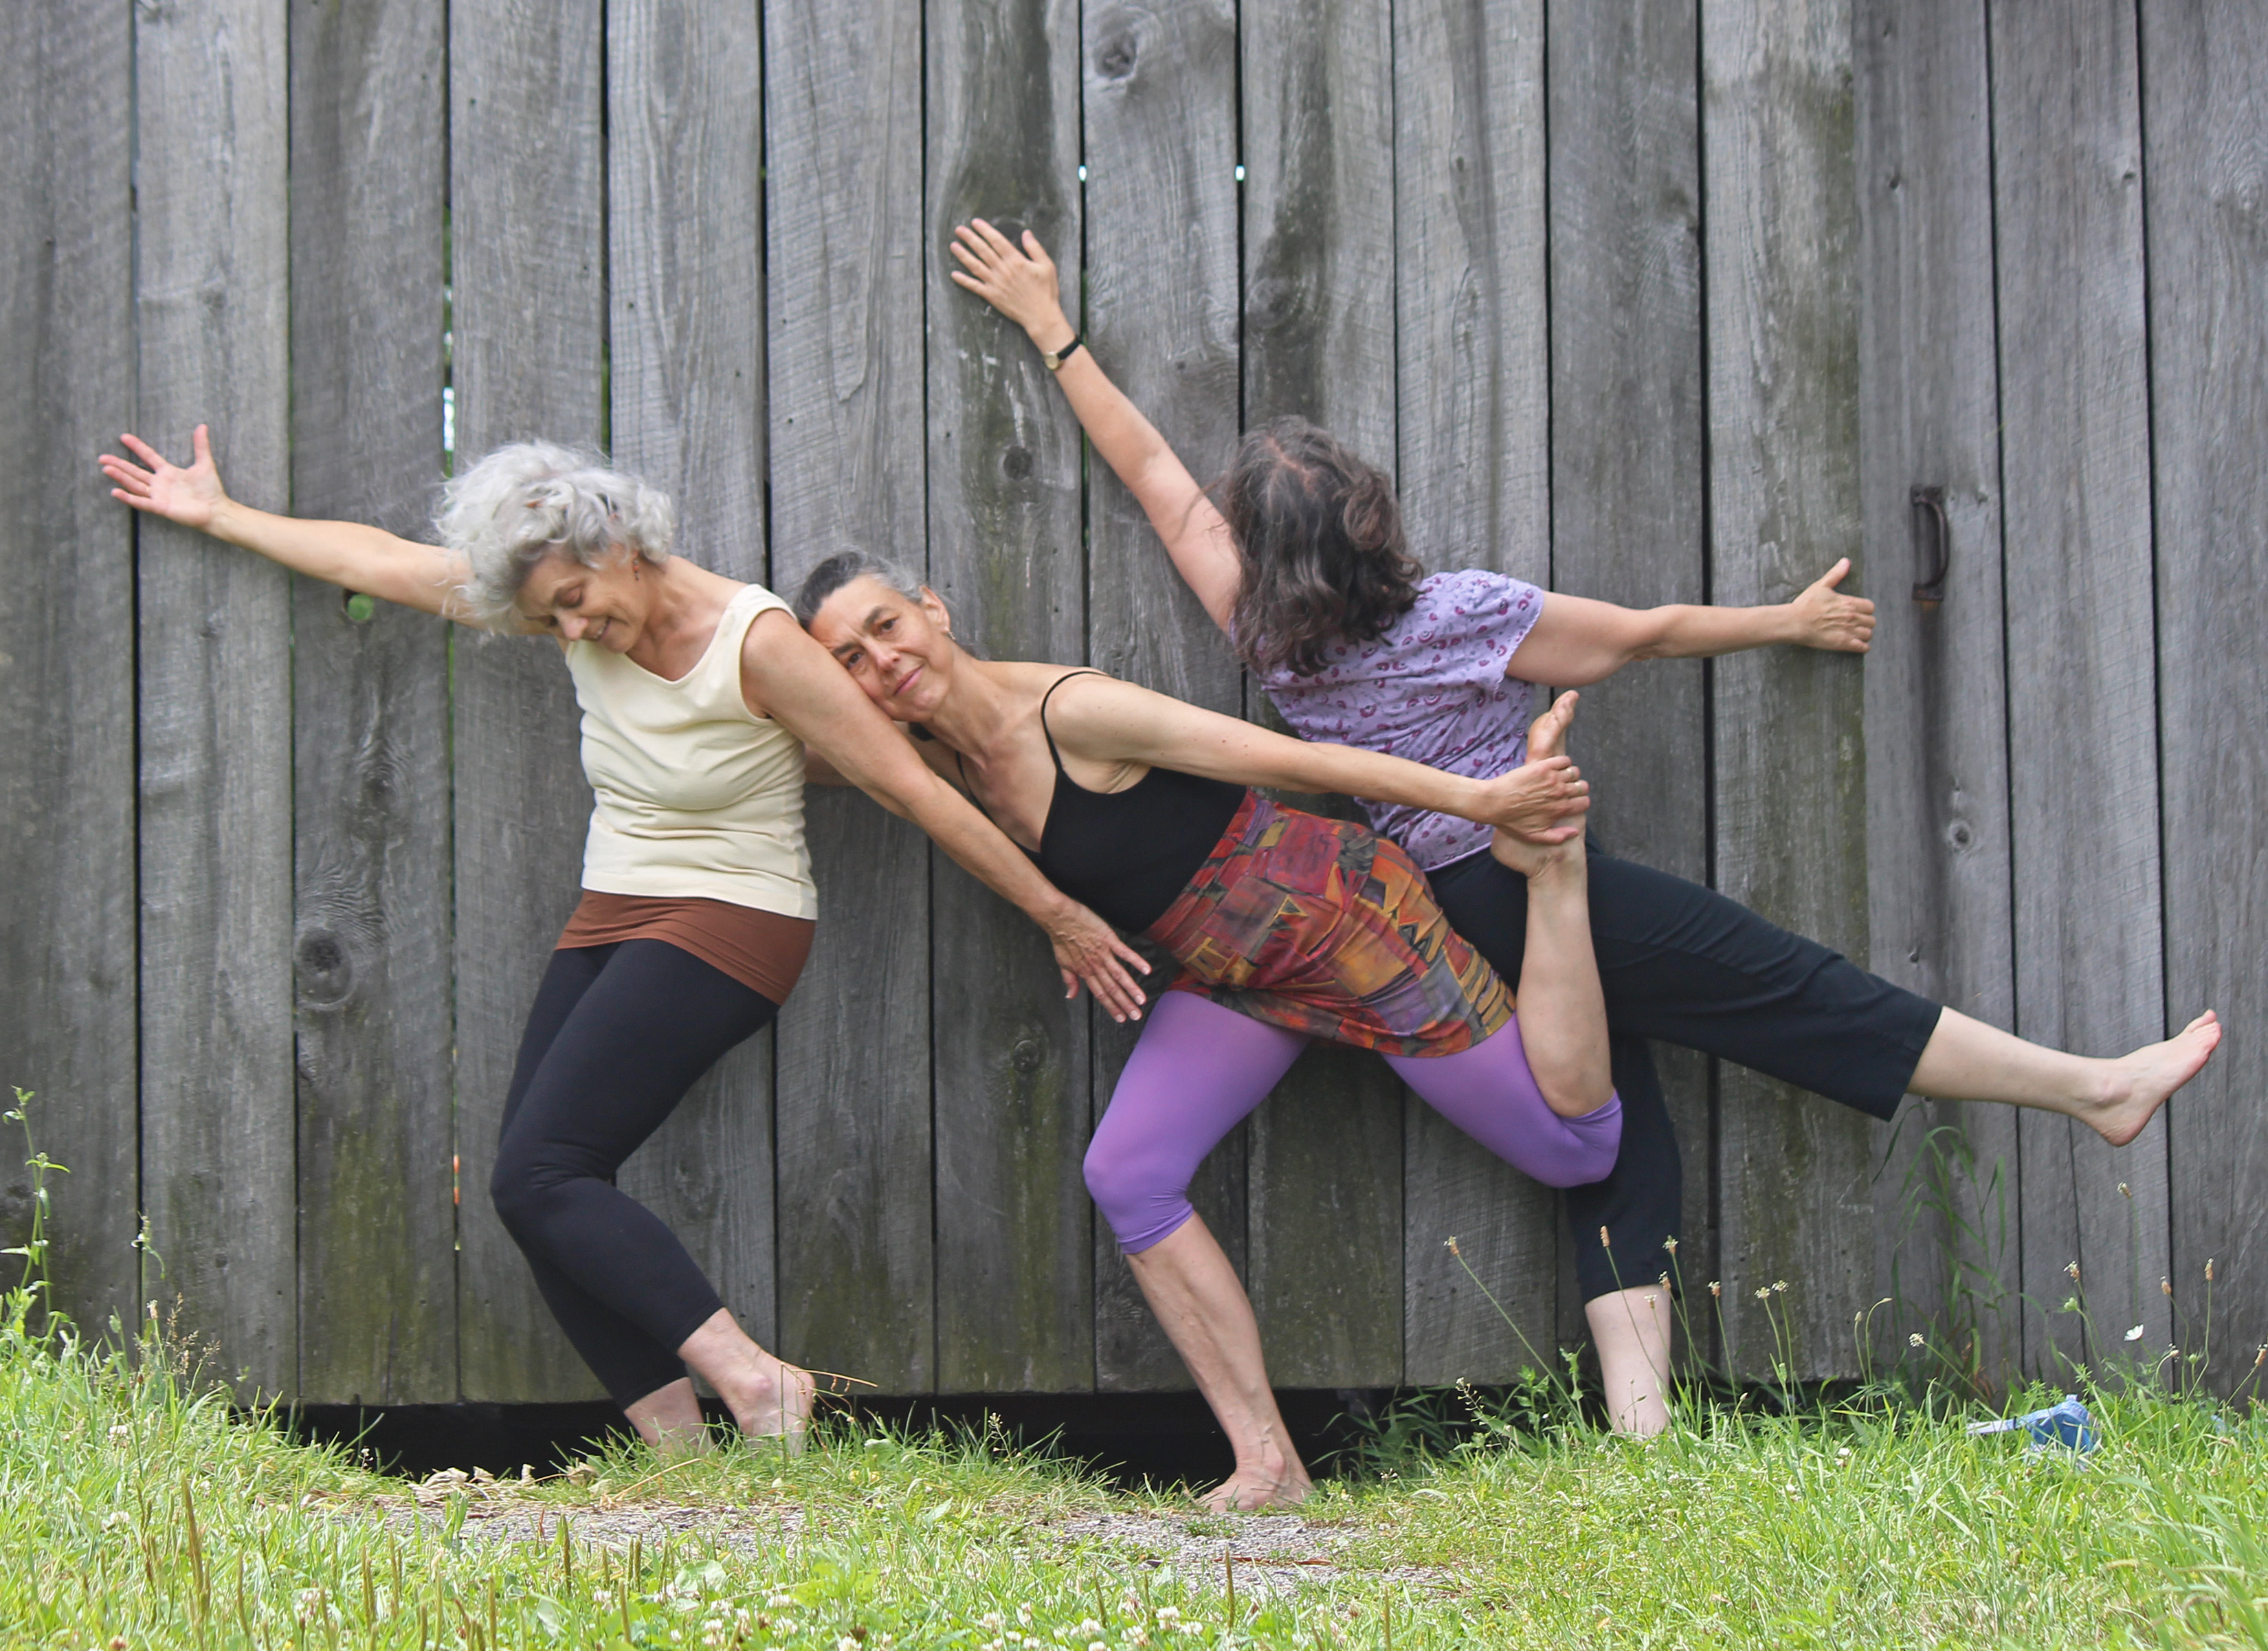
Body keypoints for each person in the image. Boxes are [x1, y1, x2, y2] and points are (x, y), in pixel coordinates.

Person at [946, 217, 2225, 1435]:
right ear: (1372, 517)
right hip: (1523, 873)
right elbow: (1644, 635)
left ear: (1266, 558)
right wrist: (1782, 621)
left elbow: (1160, 483)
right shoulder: (1459, 614)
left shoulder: (1268, 639)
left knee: (1618, 1122)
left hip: (1429, 920)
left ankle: (1644, 1424)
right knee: (1793, 990)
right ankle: (2093, 1086)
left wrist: (1056, 334)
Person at [98, 427, 1157, 1454]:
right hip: (617, 904)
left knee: (544, 1172)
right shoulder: (553, 596)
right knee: (532, 1185)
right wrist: (221, 512)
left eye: (573, 603)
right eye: (545, 616)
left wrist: (1056, 910)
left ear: (618, 546)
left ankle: (758, 1381)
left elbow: (911, 787)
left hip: (737, 913)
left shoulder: (759, 643)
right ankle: (677, 1452)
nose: (566, 632)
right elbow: (379, 560)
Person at [797, 553, 1615, 1509]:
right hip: (1234, 972)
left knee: (1577, 1148)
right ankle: (1271, 1463)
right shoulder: (934, 756)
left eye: (886, 626)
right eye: (848, 658)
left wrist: (1478, 799)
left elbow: (1282, 759)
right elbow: (805, 738)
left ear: (932, 608)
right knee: (1128, 1173)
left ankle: (1554, 876)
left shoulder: (1072, 713)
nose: (880, 662)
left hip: (1343, 919)